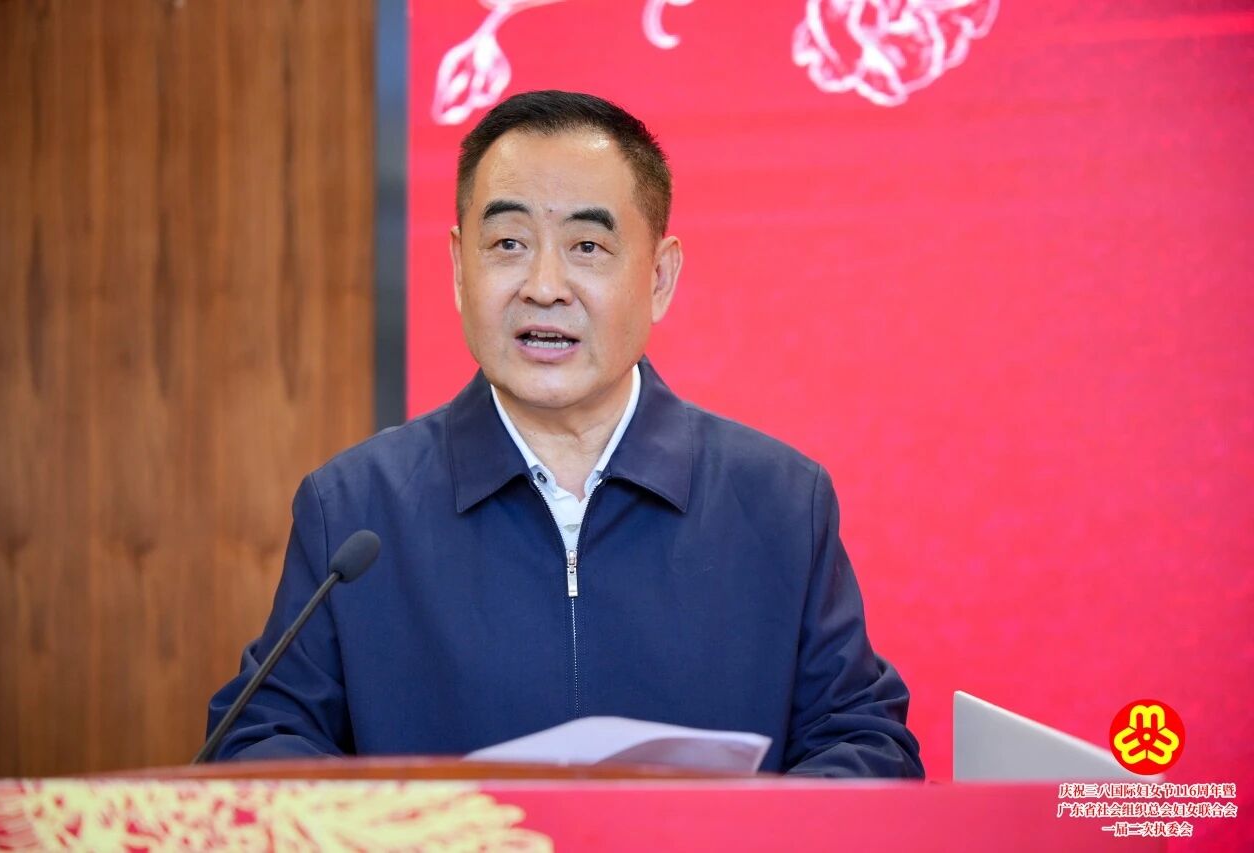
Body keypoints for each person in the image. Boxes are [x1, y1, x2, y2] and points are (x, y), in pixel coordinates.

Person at [206, 90, 923, 777]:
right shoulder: (355, 509)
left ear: (660, 277)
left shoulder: (781, 503)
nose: (544, 286)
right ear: (459, 267)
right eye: (508, 242)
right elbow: (257, 740)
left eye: (586, 245)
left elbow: (865, 742)